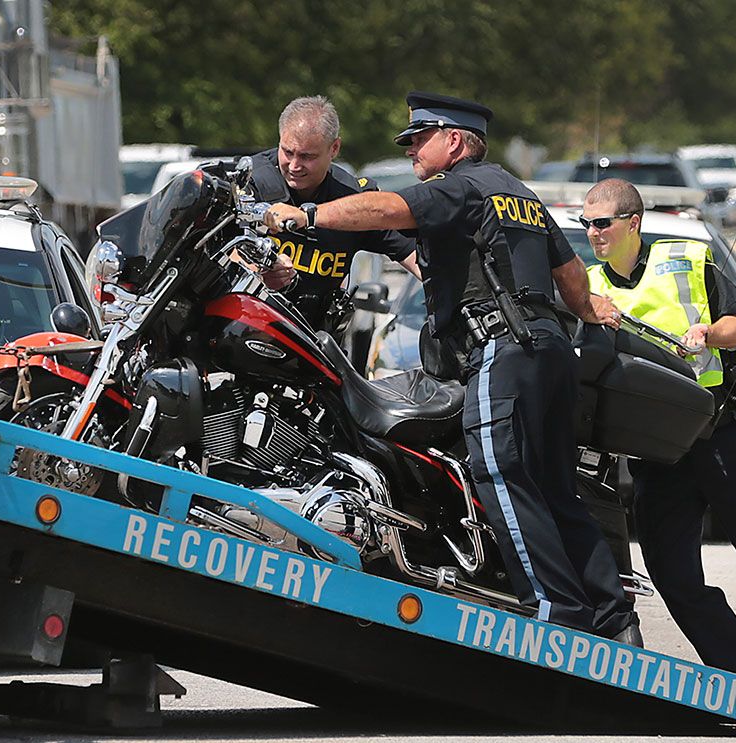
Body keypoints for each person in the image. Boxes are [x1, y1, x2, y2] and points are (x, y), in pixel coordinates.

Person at [266, 91, 640, 644]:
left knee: (503, 480)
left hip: (502, 352)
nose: (414, 150)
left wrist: (307, 215)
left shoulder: (460, 187)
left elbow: (389, 208)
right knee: (558, 490)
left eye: (421, 140)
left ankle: (557, 619)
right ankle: (615, 620)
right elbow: (570, 275)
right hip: (552, 354)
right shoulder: (521, 195)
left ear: (456, 141)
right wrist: (589, 311)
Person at [584, 178, 736, 675]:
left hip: (723, 434)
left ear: (632, 223)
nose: (593, 233)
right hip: (657, 452)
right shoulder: (588, 286)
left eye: (601, 223)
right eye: (586, 225)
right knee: (672, 573)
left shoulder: (690, 257)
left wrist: (708, 332)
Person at [252, 95, 421, 335]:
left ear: (334, 148)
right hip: (245, 330)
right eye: (287, 152)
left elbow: (418, 258)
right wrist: (259, 271)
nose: (294, 165)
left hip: (314, 341)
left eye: (307, 156)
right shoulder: (251, 183)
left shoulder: (353, 198)